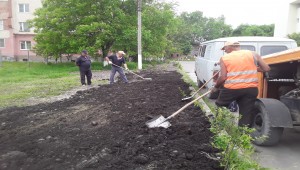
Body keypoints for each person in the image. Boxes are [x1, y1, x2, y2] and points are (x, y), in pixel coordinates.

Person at [213, 41, 270, 127]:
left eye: (225, 48)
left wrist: (216, 87)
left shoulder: (224, 58)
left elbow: (223, 77)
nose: (225, 51)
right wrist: (254, 68)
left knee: (221, 105)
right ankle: (243, 135)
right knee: (246, 113)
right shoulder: (253, 54)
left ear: (230, 47)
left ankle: (218, 128)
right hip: (251, 89)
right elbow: (266, 68)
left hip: (232, 89)